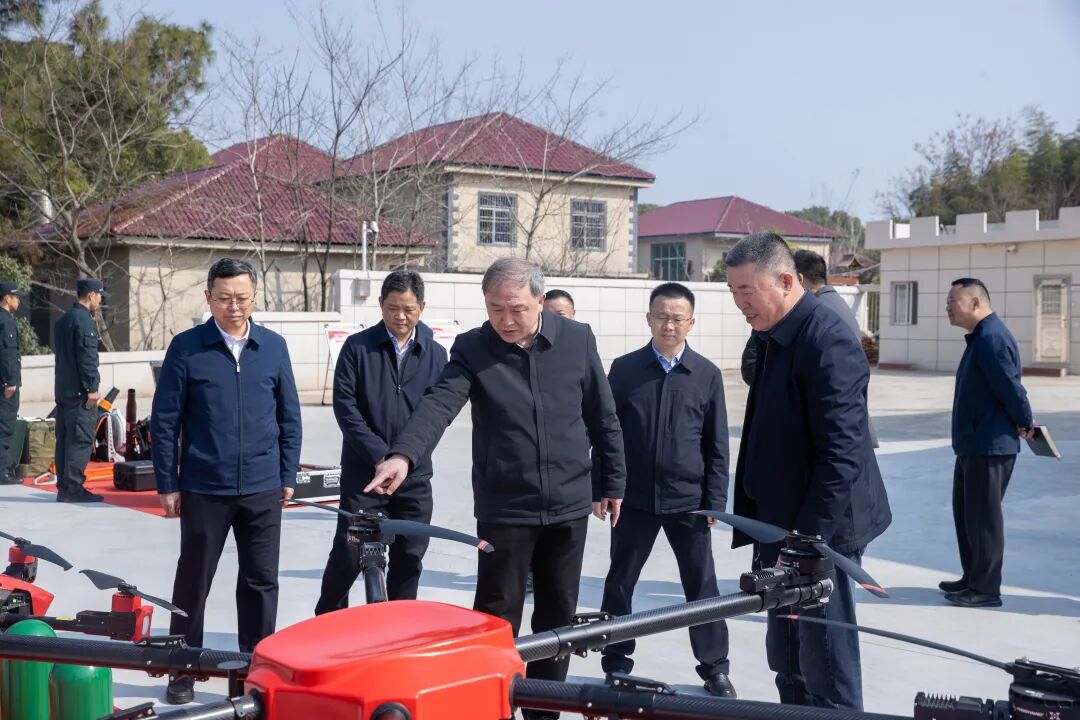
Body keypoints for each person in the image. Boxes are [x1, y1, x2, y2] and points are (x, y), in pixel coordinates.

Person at [367, 257, 625, 720]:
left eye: (517, 309)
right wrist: (403, 455)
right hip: (505, 505)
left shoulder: (577, 339)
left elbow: (602, 415)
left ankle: (543, 710)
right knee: (496, 614)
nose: (505, 320)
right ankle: (491, 707)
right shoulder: (473, 347)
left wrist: (613, 480)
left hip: (568, 503)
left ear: (540, 301)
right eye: (495, 308)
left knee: (557, 616)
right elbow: (438, 404)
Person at [726, 233, 891, 710]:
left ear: (785, 280)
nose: (740, 303)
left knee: (825, 662)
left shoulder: (826, 337)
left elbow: (842, 451)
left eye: (747, 291)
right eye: (733, 292)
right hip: (780, 526)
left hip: (819, 532)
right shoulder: (772, 333)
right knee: (787, 655)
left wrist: (807, 541)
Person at [151, 258, 301, 705]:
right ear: (208, 298)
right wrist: (168, 482)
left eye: (242, 297)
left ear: (254, 298)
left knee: (261, 581)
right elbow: (165, 421)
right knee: (193, 580)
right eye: (224, 298)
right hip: (204, 485)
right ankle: (183, 667)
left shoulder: (273, 347)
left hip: (262, 486)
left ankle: (255, 667)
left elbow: (289, 417)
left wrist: (287, 473)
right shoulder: (187, 348)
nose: (234, 306)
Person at [599, 282, 735, 698]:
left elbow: (717, 445)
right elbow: (606, 434)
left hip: (688, 502)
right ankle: (616, 661)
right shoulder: (625, 370)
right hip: (634, 499)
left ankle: (715, 669)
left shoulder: (706, 375)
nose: (669, 325)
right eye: (661, 316)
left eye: (677, 318)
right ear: (649, 319)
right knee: (620, 582)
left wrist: (715, 501)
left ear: (691, 323)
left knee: (702, 588)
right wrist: (603, 486)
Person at [315, 270, 448, 612]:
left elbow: (435, 416)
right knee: (349, 553)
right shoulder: (357, 348)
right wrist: (379, 456)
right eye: (392, 308)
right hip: (365, 475)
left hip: (414, 476)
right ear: (380, 304)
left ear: (422, 307)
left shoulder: (436, 355)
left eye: (408, 309)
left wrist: (406, 457)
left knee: (410, 556)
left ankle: (398, 627)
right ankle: (327, 619)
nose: (400, 316)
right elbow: (346, 407)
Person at [941, 277, 1033, 609]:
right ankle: (973, 577)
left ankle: (986, 589)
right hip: (973, 443)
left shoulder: (992, 337)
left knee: (984, 519)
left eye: (953, 301)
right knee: (968, 515)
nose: (948, 308)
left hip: (989, 445)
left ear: (976, 302)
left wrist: (1025, 420)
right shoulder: (981, 337)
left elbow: (1011, 388)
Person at [741, 249, 861, 384]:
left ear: (797, 279)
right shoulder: (839, 307)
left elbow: (752, 368)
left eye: (783, 281)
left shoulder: (809, 316)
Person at [52, 278, 108, 503]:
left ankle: (64, 487)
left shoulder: (63, 320)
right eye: (100, 295)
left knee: (64, 440)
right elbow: (87, 358)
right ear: (91, 295)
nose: (101, 299)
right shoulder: (84, 321)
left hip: (63, 390)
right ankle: (73, 488)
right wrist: (92, 388)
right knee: (81, 440)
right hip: (79, 393)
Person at [0, 281, 27, 485]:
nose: (18, 300)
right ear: (7, 297)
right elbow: (8, 353)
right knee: (5, 426)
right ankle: (2, 472)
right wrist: (10, 381)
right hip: (5, 385)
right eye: (16, 296)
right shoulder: (6, 320)